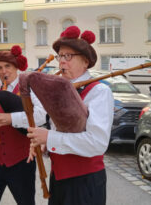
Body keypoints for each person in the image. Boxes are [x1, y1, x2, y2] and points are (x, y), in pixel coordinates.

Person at [27, 26, 114, 205]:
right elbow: (58, 130)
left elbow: (97, 143)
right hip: (58, 179)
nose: (61, 62)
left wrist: (49, 137)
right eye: (60, 56)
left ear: (85, 61)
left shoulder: (99, 92)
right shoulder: (59, 91)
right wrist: (45, 144)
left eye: (68, 56)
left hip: (85, 183)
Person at [0, 45, 46, 205]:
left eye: (7, 66)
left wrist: (11, 119)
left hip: (21, 162)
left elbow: (41, 116)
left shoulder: (29, 88)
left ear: (16, 67)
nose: (3, 71)